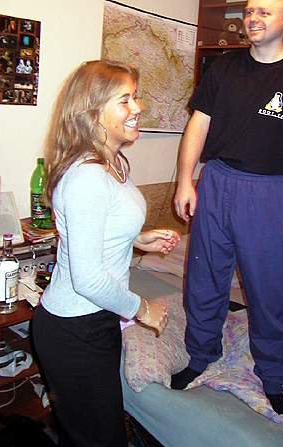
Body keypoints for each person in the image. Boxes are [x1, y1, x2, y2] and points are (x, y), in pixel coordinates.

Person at [171, 0, 283, 415]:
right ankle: (201, 354)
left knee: (267, 289)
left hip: (268, 192)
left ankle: (274, 372)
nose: (253, 18)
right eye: (249, 11)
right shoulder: (224, 67)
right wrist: (185, 181)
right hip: (216, 182)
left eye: (264, 12)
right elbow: (198, 126)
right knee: (204, 278)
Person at [31, 60, 180, 447]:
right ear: (92, 113)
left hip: (96, 319)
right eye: (124, 100)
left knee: (94, 433)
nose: (138, 107)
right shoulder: (87, 177)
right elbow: (88, 278)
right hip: (74, 328)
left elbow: (100, 228)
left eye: (136, 97)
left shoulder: (112, 162)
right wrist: (143, 308)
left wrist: (137, 239)